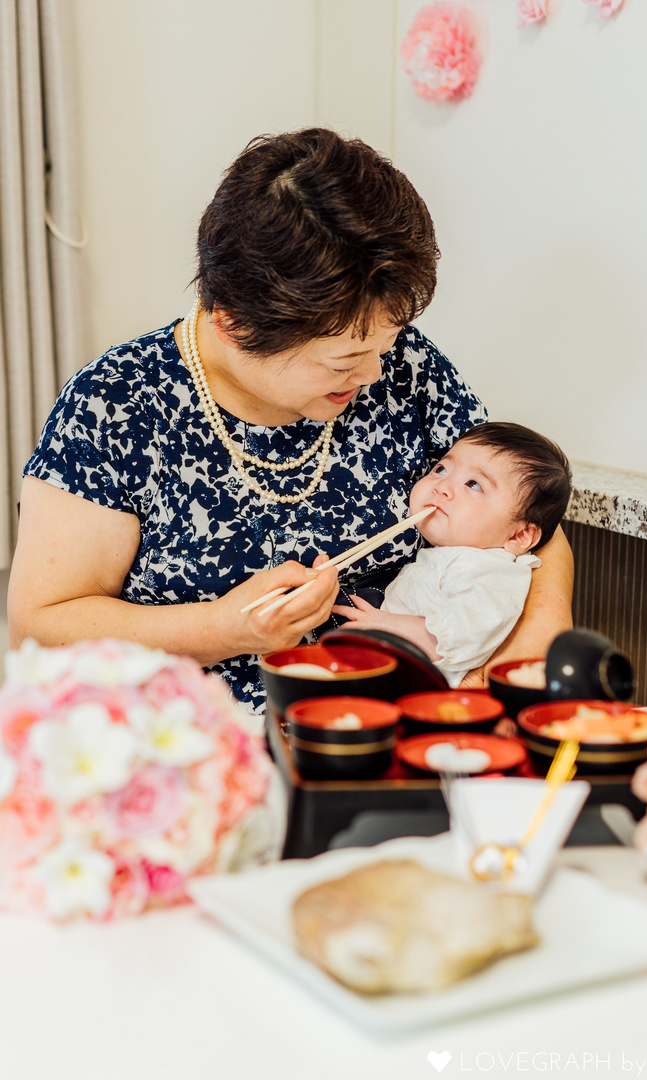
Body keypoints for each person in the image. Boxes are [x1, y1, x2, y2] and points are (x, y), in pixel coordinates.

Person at [7, 128, 574, 717]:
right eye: (344, 362)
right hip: (193, 747)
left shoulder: (407, 366)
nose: (377, 374)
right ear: (233, 323)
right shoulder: (118, 402)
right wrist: (221, 629)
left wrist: (526, 657)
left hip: (394, 732)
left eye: (388, 343)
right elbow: (41, 624)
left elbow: (527, 523)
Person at [332, 422, 572, 687]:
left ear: (518, 536)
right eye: (441, 469)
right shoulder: (457, 554)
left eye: (474, 484)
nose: (443, 486)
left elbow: (464, 634)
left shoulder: (490, 571)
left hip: (436, 700)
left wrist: (387, 626)